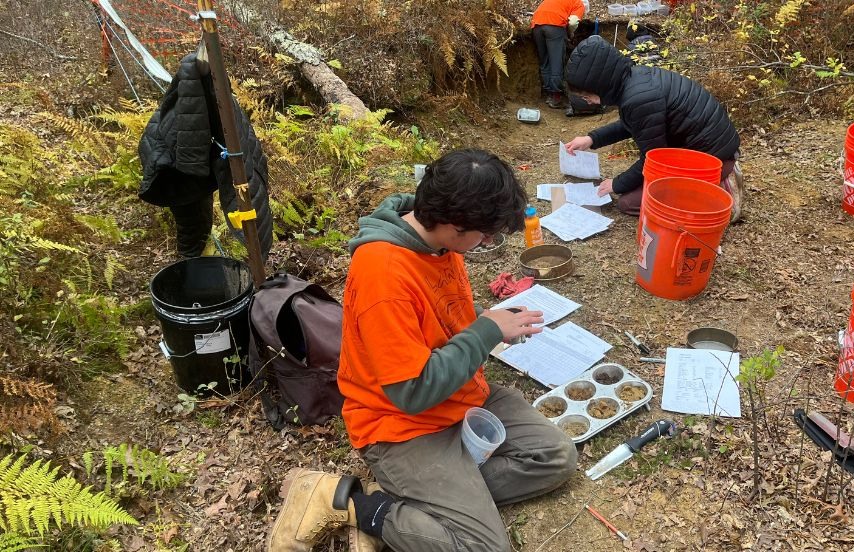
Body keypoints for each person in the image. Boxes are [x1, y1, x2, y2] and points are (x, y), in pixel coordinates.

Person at [266, 149, 579, 552]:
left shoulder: (436, 243)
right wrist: (485, 332)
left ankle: (439, 498)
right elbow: (410, 391)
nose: (486, 243)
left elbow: (439, 319)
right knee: (480, 548)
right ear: (453, 226)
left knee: (555, 458)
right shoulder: (384, 274)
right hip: (402, 425)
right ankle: (356, 506)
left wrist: (492, 320)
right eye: (484, 236)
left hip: (460, 395)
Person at [563, 35, 745, 221]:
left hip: (711, 160)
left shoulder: (637, 99)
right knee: (638, 191)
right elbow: (632, 125)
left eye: (587, 96)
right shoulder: (636, 79)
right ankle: (717, 177)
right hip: (708, 147)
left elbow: (654, 160)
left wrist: (616, 184)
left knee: (629, 203)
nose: (587, 101)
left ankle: (719, 188)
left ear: (599, 85)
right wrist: (591, 139)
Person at [531, 0, 587, 109]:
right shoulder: (579, 3)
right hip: (555, 26)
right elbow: (573, 22)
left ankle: (549, 94)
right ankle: (556, 97)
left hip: (537, 25)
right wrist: (570, 33)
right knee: (556, 62)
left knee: (545, 61)